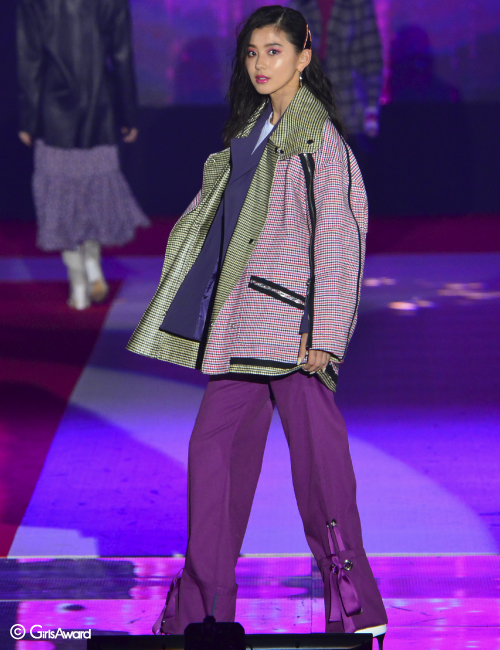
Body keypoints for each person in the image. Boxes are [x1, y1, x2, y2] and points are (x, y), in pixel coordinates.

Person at [127, 5, 387, 647]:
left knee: (320, 472)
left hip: (294, 331)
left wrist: (325, 331)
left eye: (274, 51)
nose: (260, 63)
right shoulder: (253, 130)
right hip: (244, 325)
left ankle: (355, 605)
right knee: (212, 454)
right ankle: (205, 609)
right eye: (251, 52)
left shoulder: (317, 139)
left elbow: (340, 238)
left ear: (304, 57)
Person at [17, 0, 149, 310]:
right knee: (93, 199)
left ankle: (78, 286)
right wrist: (128, 114)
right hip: (99, 113)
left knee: (59, 204)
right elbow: (122, 56)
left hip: (53, 117)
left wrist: (28, 120)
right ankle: (92, 267)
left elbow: (29, 60)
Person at [287, 0, 383, 167]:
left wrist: (372, 107)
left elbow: (371, 57)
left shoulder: (357, 4)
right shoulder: (299, 4)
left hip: (349, 106)